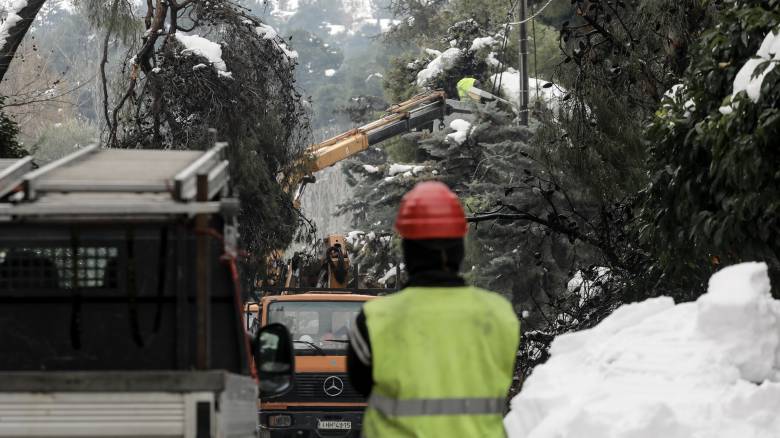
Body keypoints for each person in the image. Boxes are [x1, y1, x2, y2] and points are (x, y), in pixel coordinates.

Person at [347, 181, 520, 437]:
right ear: (459, 248)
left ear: (407, 250)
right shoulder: (499, 315)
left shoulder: (375, 320)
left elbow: (361, 384)